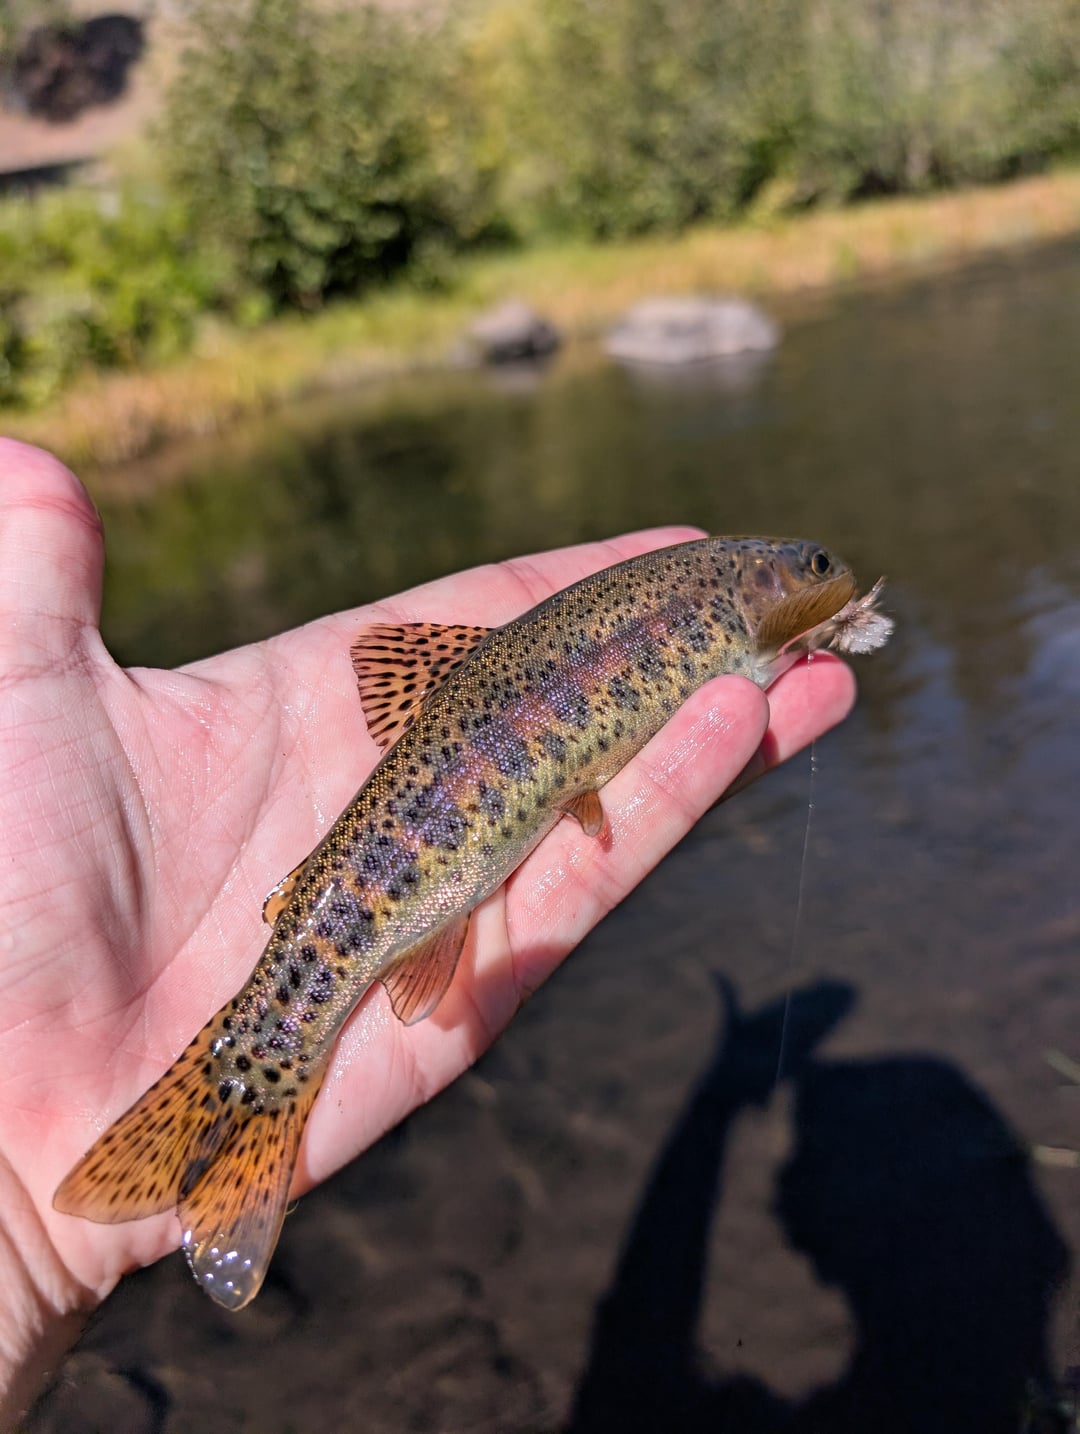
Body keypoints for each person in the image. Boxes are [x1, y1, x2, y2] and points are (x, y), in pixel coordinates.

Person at [0, 438, 855, 1423]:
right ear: (761, 583)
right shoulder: (719, 589)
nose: (825, 579)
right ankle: (237, 1098)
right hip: (426, 837)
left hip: (452, 799)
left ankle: (148, 1176)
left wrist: (29, 1260)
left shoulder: (724, 598)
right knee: (295, 1013)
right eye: (813, 570)